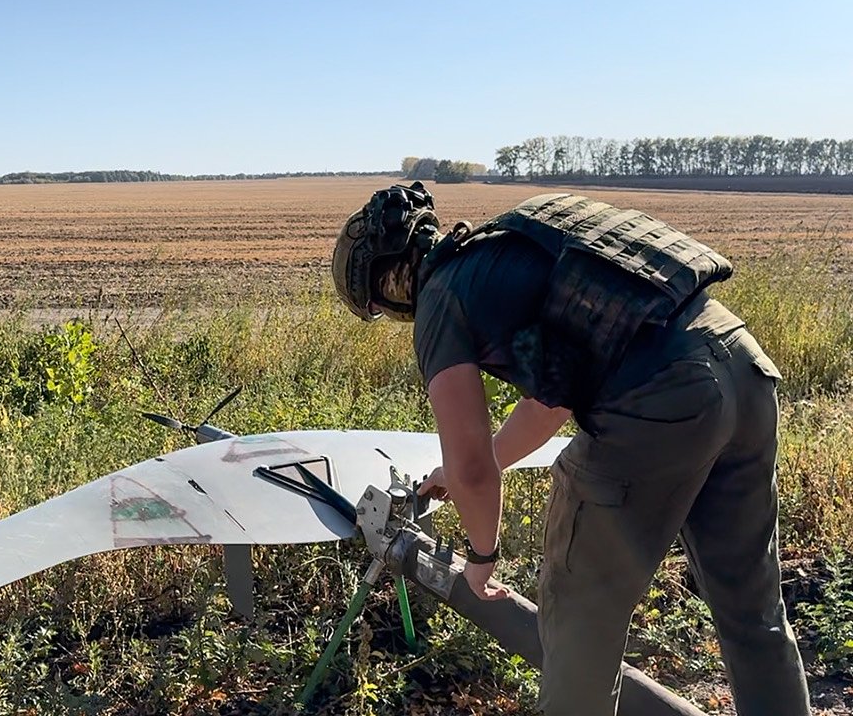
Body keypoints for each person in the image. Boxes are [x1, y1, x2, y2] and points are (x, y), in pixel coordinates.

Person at [331, 182, 811, 716]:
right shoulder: (511, 248)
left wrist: (482, 557)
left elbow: (472, 469)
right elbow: (550, 403)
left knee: (579, 617)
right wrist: (470, 465)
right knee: (753, 608)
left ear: (392, 277)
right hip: (743, 368)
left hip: (661, 398)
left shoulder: (441, 296)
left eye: (383, 303)